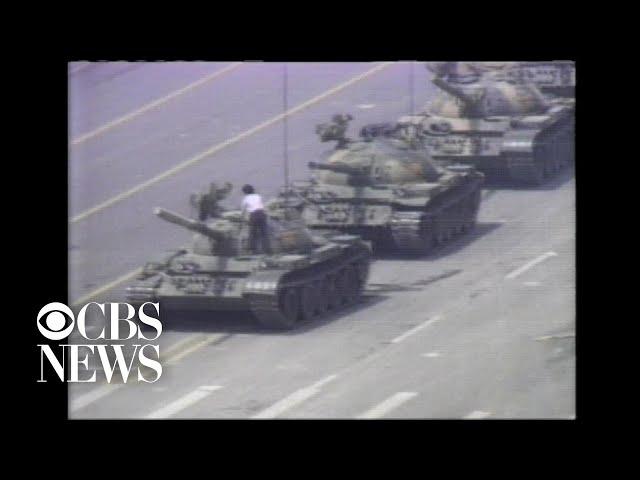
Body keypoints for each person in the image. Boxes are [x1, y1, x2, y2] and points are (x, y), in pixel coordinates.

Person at [241, 184, 271, 254]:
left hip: (254, 215)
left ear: (245, 192)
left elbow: (243, 210)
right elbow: (262, 206)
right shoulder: (258, 196)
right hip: (262, 214)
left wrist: (243, 219)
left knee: (252, 233)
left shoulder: (246, 198)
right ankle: (267, 249)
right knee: (264, 233)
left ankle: (252, 250)